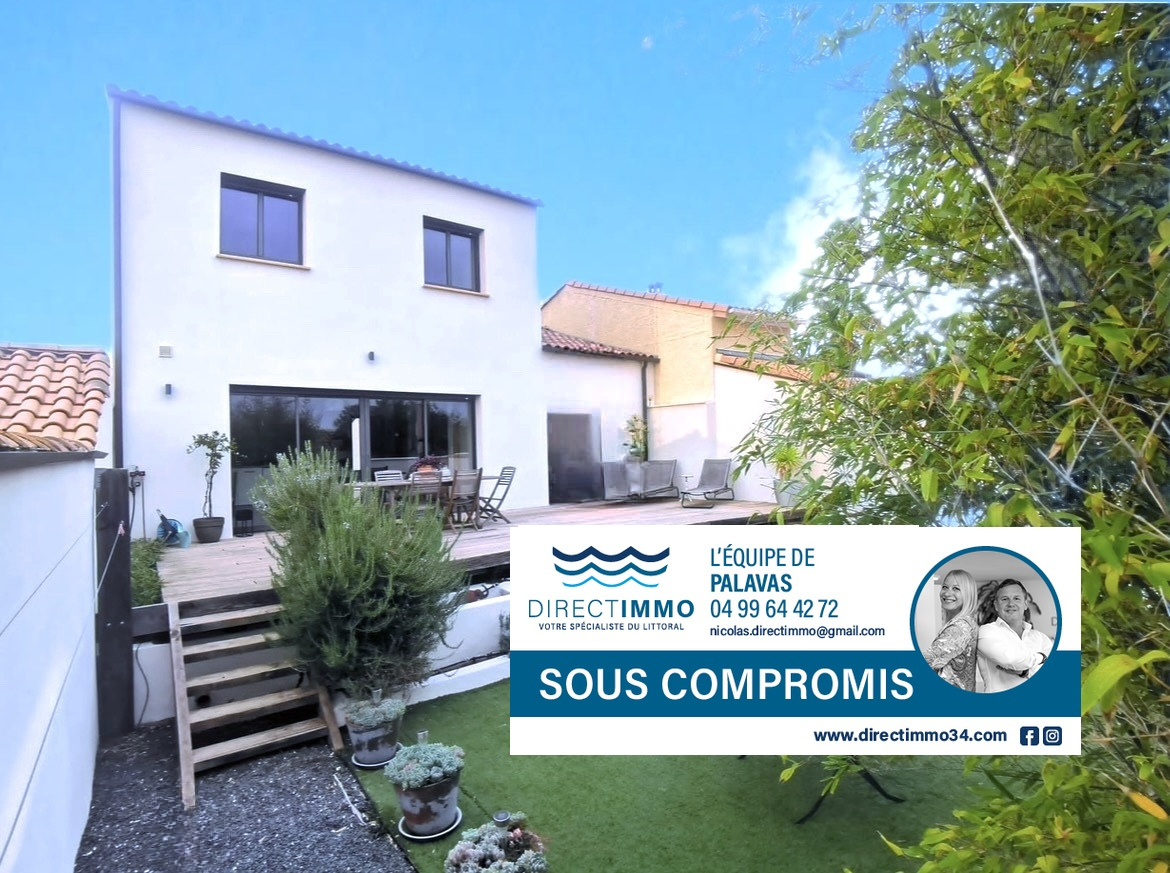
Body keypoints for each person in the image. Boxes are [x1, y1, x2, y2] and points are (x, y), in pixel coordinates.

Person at [977, 578, 1053, 693]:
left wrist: (1025, 671)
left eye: (1016, 598)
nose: (1011, 604)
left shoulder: (1040, 637)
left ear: (1025, 604)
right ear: (996, 605)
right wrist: (1042, 658)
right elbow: (1010, 659)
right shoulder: (986, 631)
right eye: (1004, 599)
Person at [921, 569, 979, 691]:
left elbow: (928, 661)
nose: (947, 593)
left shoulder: (960, 628)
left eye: (956, 588)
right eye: (945, 587)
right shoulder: (966, 623)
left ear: (968, 594)